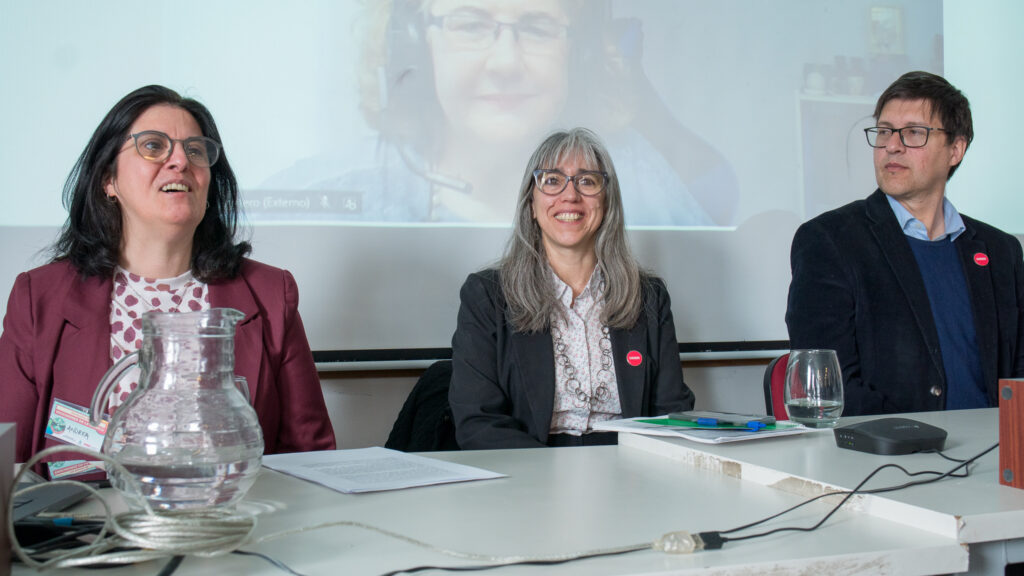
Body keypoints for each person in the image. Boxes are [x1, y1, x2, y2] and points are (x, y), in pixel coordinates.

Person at [0, 85, 337, 466]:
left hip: (232, 520)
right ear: (108, 180)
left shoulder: (271, 294)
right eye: (154, 146)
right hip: (85, 522)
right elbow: (5, 460)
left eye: (195, 150)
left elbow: (313, 460)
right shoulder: (39, 297)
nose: (180, 161)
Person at [261, 0, 737, 226]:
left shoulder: (639, 180)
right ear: (415, 44)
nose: (506, 63)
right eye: (470, 24)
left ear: (580, 54)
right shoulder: (320, 195)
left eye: (537, 28)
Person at [786, 71, 1024, 416]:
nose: (892, 146)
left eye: (914, 133)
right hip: (888, 458)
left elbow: (1018, 371)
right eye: (884, 132)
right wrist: (914, 442)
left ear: (955, 149)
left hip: (995, 454)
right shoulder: (830, 241)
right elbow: (827, 386)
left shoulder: (1000, 251)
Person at [449, 127, 695, 448]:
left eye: (587, 181)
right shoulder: (486, 296)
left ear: (606, 204)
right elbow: (478, 422)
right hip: (530, 474)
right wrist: (551, 480)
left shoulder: (649, 296)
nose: (570, 195)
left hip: (630, 471)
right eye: (552, 180)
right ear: (531, 205)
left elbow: (671, 412)